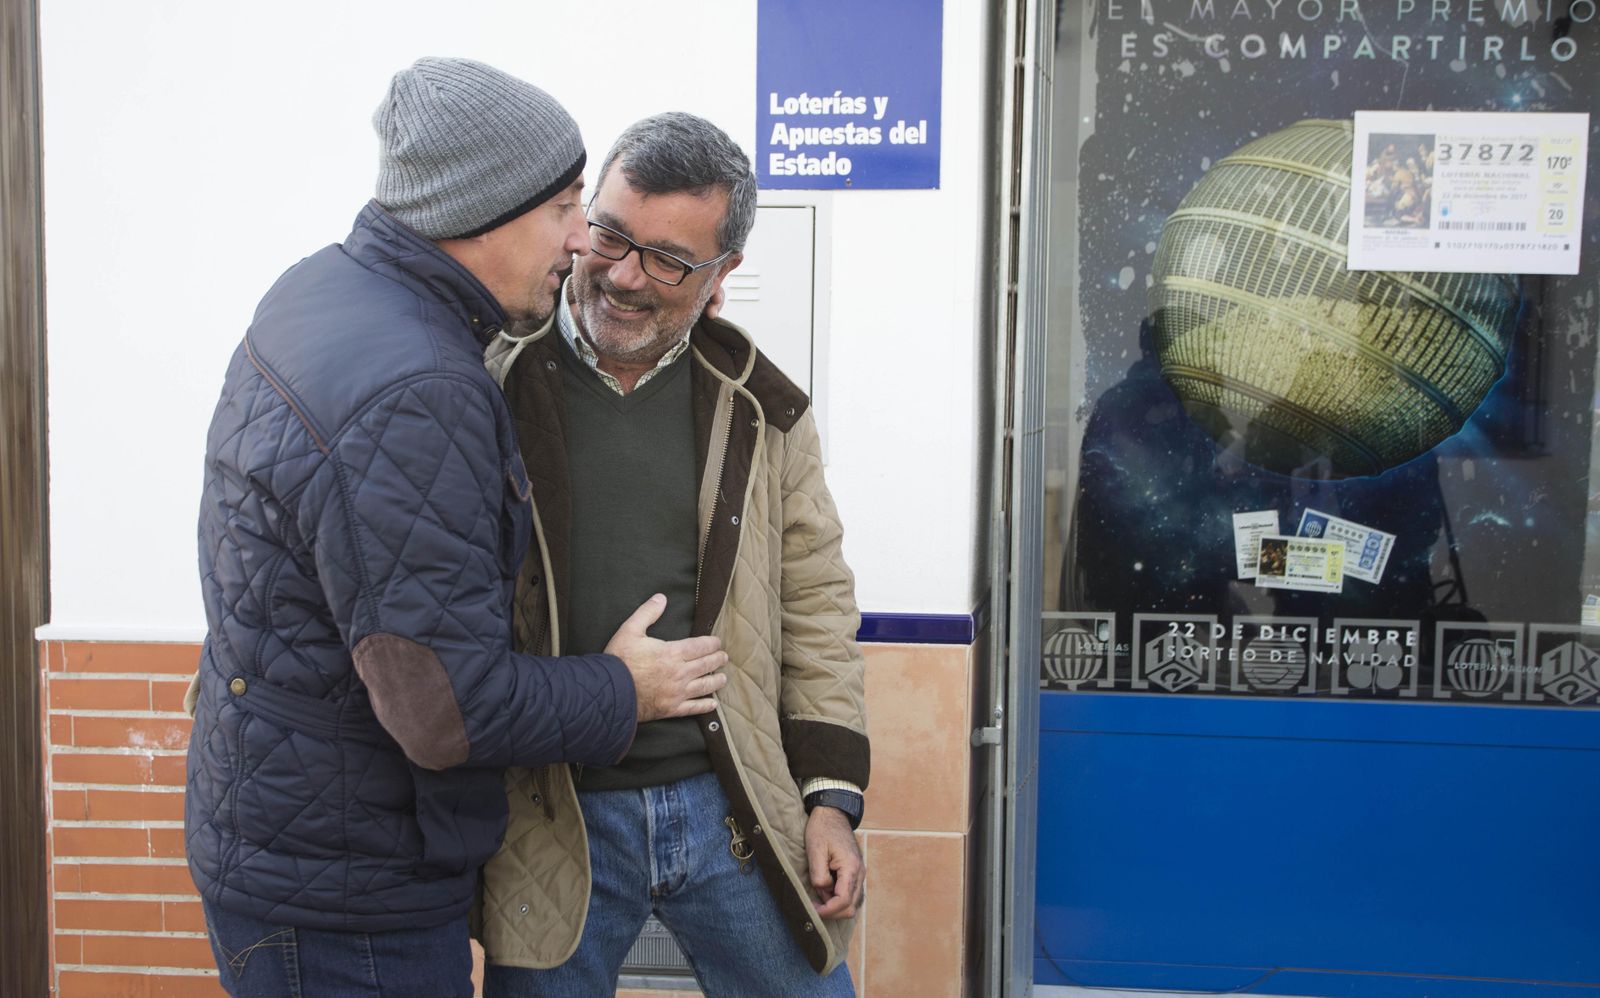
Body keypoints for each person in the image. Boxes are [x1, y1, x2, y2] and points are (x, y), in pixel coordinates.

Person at [184, 60, 729, 997]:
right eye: (565, 205)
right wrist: (621, 688)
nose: (579, 242)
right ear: (483, 208)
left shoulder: (326, 293)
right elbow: (447, 710)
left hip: (291, 841)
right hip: (350, 900)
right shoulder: (419, 389)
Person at [479, 113, 868, 997]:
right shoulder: (485, 379)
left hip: (733, 804)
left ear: (723, 276)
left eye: (667, 259)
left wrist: (831, 799)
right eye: (610, 234)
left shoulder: (765, 409)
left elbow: (815, 608)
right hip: (552, 812)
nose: (621, 274)